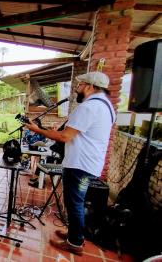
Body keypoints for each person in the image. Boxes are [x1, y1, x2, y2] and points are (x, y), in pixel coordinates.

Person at [25, 72, 115, 256]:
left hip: (80, 165)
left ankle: (74, 242)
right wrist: (53, 132)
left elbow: (65, 137)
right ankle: (74, 233)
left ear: (90, 87)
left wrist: (38, 130)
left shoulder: (89, 107)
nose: (77, 88)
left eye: (80, 85)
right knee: (76, 202)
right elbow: (79, 134)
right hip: (90, 163)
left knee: (74, 203)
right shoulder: (107, 107)